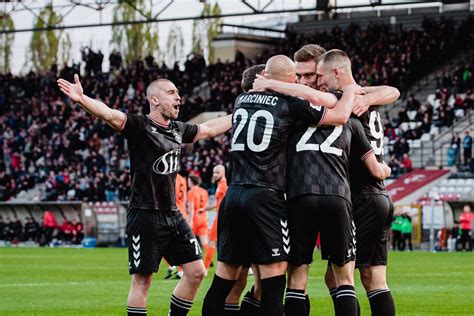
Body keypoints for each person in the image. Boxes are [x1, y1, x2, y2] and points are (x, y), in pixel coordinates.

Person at [57, 74, 232, 316]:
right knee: (142, 282)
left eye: (178, 93)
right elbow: (109, 114)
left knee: (197, 272)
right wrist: (81, 98)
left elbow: (210, 128)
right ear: (154, 99)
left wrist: (242, 113)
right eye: (171, 93)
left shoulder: (178, 130)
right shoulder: (139, 126)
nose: (179, 97)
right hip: (145, 214)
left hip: (172, 214)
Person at [202, 54, 360, 316]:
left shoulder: (241, 100)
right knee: (273, 281)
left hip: (234, 194)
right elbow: (340, 115)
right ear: (290, 80)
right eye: (297, 78)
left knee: (224, 276)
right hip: (266, 196)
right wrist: (352, 90)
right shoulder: (290, 103)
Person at [253, 46, 399, 316]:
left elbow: (319, 99)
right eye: (301, 76)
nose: (308, 81)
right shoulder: (357, 94)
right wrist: (366, 94)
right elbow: (393, 91)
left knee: (330, 277)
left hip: (355, 195)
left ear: (331, 72)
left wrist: (272, 84)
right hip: (370, 194)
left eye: (313, 75)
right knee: (366, 279)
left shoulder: (336, 99)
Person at [204, 165, 228, 271]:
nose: (214, 175)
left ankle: (205, 268)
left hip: (221, 216)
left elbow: (227, 202)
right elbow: (219, 202)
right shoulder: (220, 185)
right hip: (221, 215)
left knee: (211, 241)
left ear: (223, 173)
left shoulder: (223, 185)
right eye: (213, 173)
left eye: (217, 172)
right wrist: (206, 208)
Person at [187, 174, 209, 250]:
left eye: (188, 181)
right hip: (203, 219)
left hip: (195, 219)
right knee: (205, 243)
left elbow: (191, 208)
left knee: (189, 243)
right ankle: (209, 262)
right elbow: (207, 205)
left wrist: (190, 220)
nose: (188, 183)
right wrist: (202, 209)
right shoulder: (204, 191)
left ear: (192, 181)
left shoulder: (191, 192)